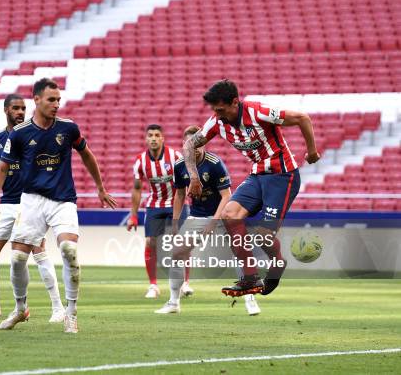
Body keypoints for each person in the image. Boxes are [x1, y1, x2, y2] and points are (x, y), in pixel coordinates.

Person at [0, 78, 116, 333]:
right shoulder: (20, 134)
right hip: (31, 201)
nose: (56, 105)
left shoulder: (68, 129)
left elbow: (87, 154)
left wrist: (100, 187)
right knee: (18, 258)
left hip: (63, 200)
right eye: (51, 100)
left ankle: (71, 313)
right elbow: (0, 167)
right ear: (37, 100)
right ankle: (20, 309)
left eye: (59, 100)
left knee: (69, 251)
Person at [183, 79, 320, 297]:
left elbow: (302, 118)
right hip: (257, 176)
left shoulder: (258, 112)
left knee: (264, 235)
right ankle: (249, 277)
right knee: (229, 215)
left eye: (220, 109)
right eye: (214, 110)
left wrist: (311, 151)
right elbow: (189, 144)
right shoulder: (217, 122)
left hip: (282, 176)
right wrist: (194, 177)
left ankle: (277, 265)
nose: (217, 114)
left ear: (235, 102)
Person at [0, 94, 65, 323]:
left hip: (30, 205)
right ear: (6, 110)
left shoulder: (32, 134)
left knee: (40, 254)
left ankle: (57, 308)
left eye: (23, 108)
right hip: (7, 205)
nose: (20, 112)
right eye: (15, 108)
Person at [155, 126, 260, 315]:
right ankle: (173, 303)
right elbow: (179, 195)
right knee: (177, 252)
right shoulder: (179, 166)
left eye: (196, 145)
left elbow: (226, 196)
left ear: (203, 144)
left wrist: (213, 222)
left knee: (240, 252)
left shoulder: (214, 163)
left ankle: (250, 299)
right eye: (189, 146)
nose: (193, 149)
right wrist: (176, 222)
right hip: (197, 216)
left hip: (224, 215)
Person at [128, 124, 192, 298]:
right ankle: (153, 286)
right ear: (146, 139)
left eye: (157, 135)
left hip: (176, 204)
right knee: (150, 242)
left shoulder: (175, 157)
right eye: (150, 135)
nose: (154, 138)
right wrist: (133, 215)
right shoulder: (141, 161)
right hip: (155, 205)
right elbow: (136, 188)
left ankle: (185, 283)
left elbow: (186, 181)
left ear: (163, 138)